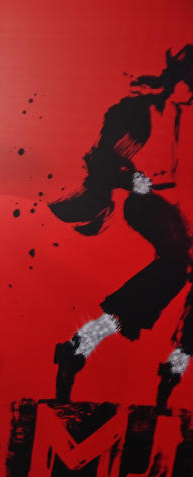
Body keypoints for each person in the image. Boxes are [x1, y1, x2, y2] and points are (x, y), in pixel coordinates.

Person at [51, 45, 193, 407]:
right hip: (153, 204)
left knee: (181, 304)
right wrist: (136, 182)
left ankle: (82, 347)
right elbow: (108, 160)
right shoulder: (146, 109)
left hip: (181, 218)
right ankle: (85, 347)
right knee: (178, 264)